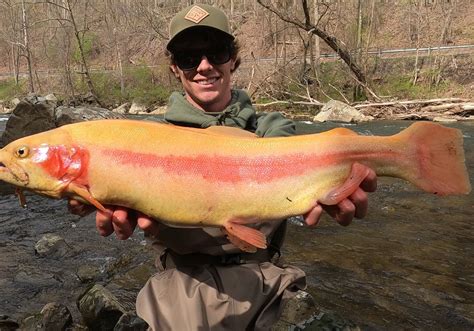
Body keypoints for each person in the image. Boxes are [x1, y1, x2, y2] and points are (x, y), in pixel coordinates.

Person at [69, 4, 377, 330]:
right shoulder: (146, 146)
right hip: (180, 286)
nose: (204, 66)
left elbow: (317, 167)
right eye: (189, 57)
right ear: (175, 67)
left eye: (216, 52)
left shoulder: (273, 130)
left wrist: (336, 181)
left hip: (268, 283)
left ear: (232, 58)